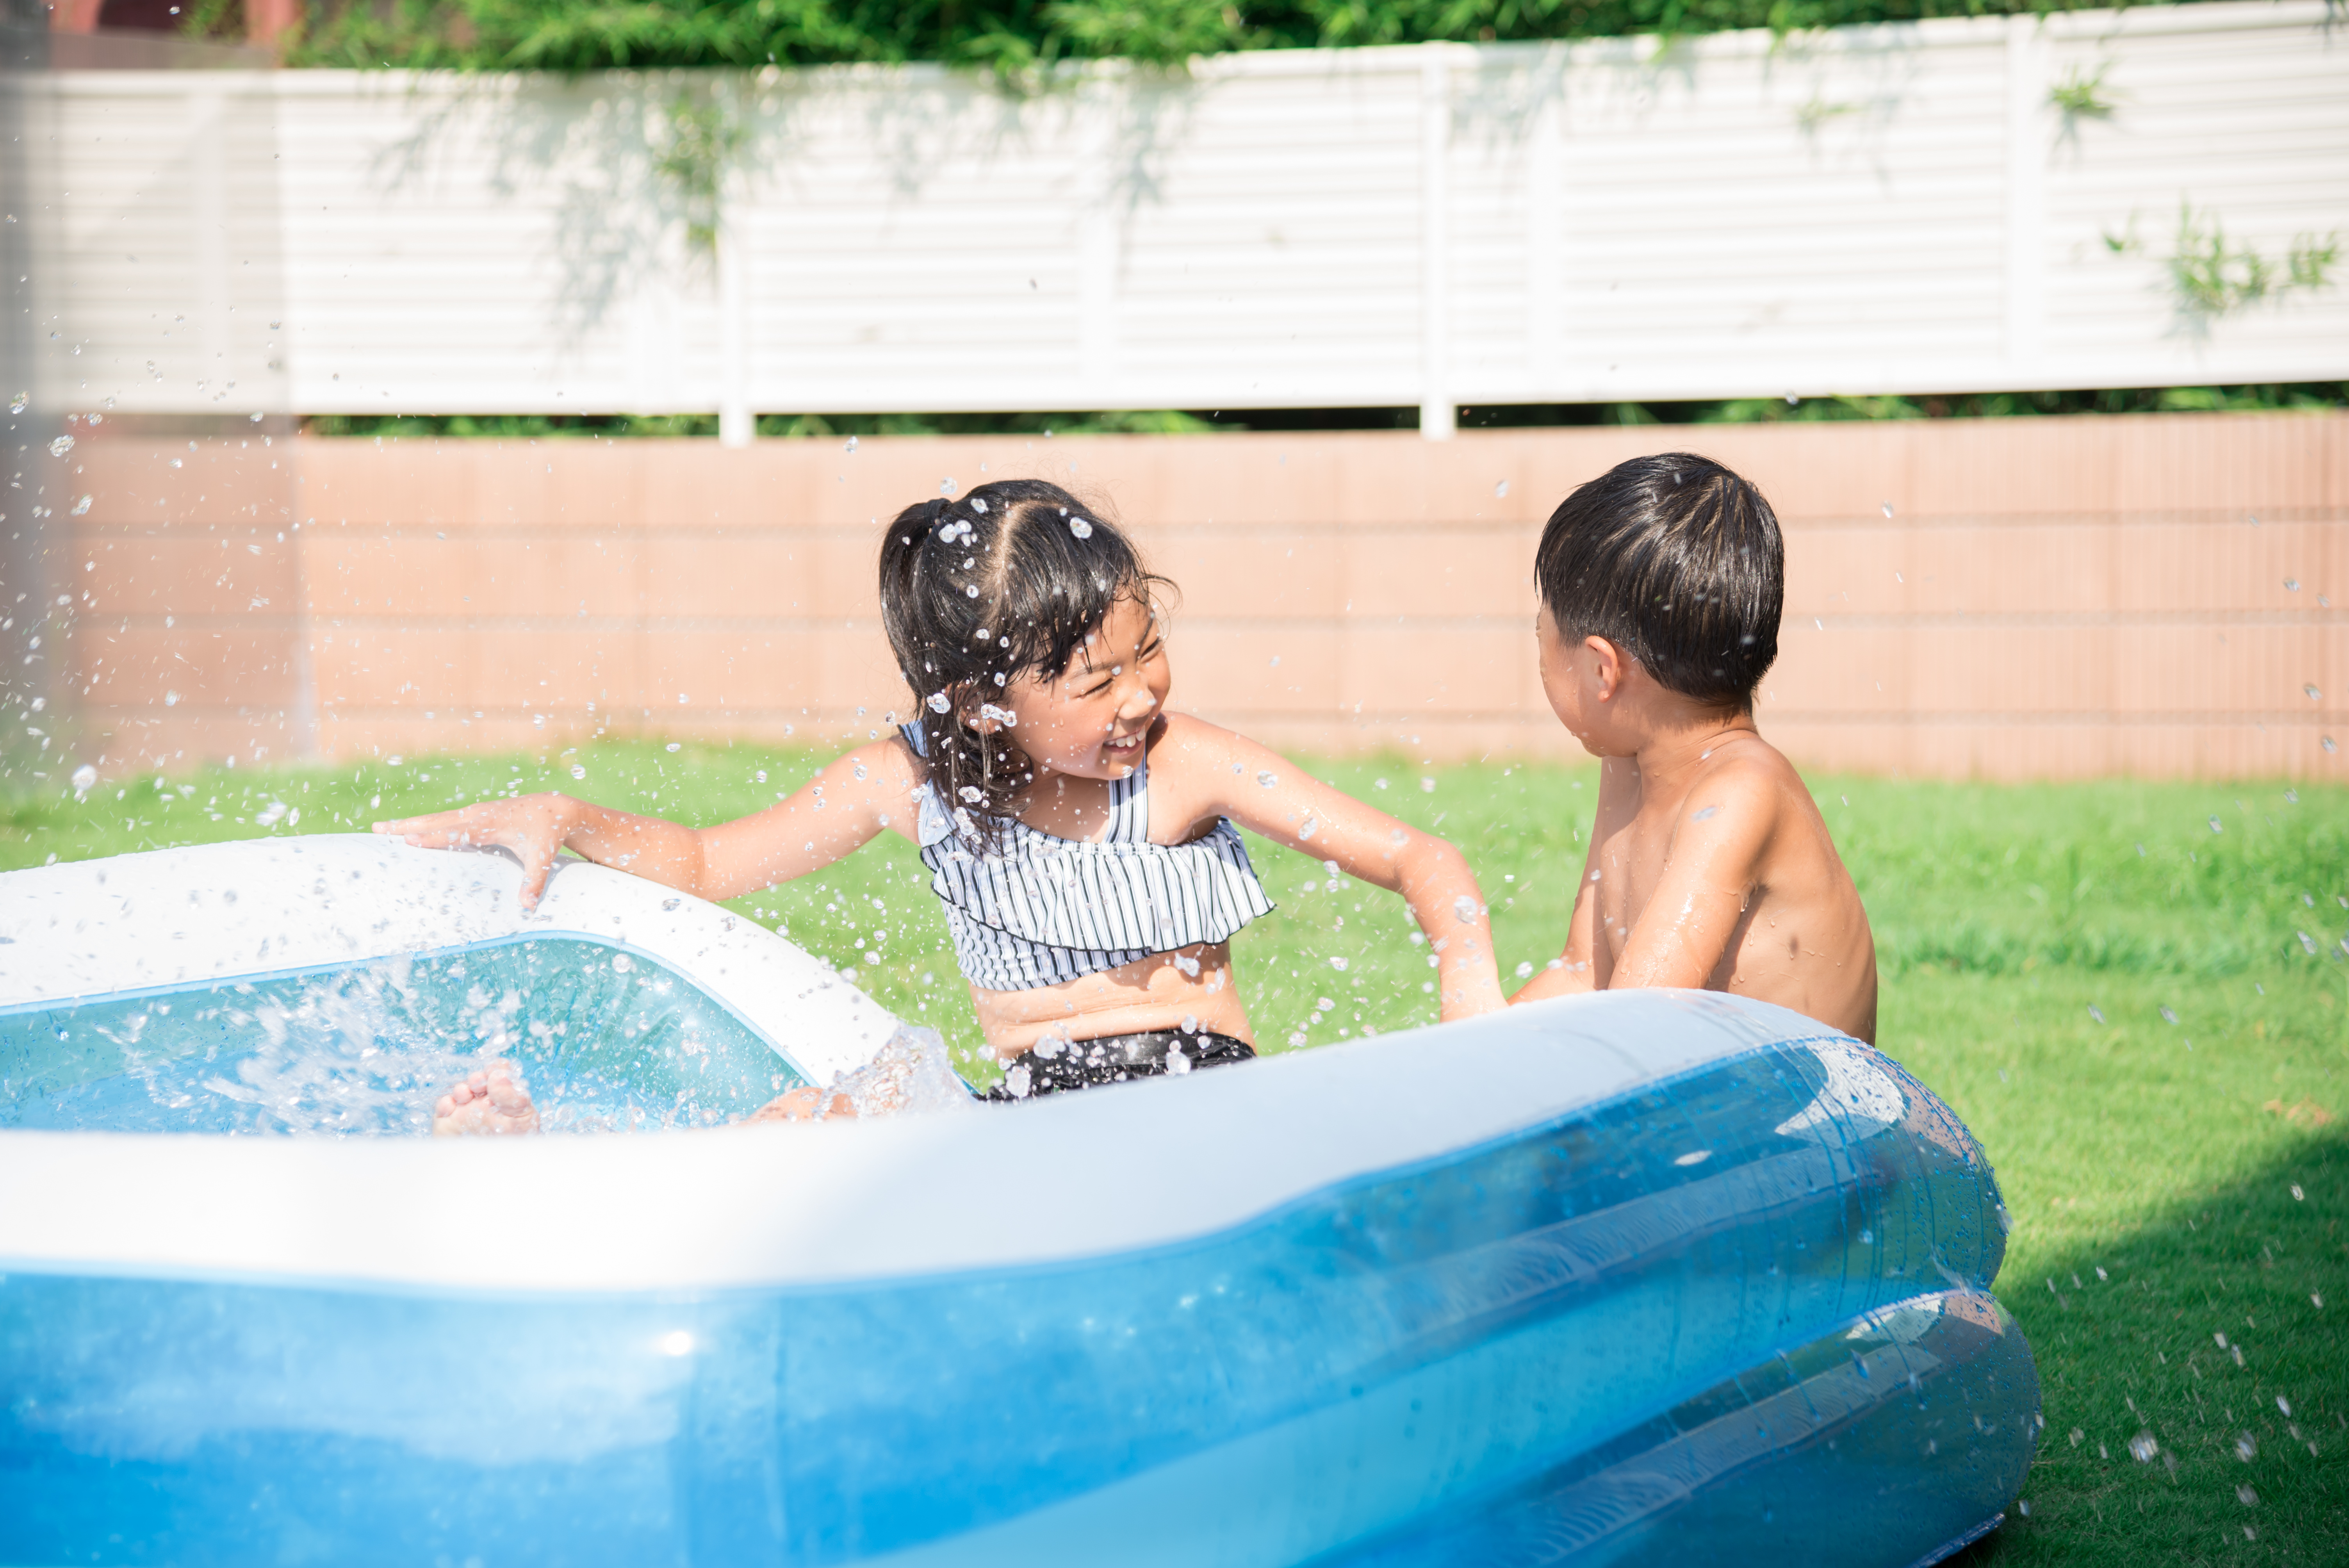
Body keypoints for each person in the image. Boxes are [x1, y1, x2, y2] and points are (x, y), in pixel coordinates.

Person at [388, 478, 1507, 1133]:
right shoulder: (908, 780)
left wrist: (1471, 1006)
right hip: (1024, 1114)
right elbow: (704, 862)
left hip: (1190, 1106)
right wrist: (571, 816)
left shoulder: (1183, 765)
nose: (1141, 696)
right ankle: (556, 1158)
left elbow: (1425, 860)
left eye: (1148, 653)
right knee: (811, 1124)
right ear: (977, 707)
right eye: (1096, 682)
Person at [1507, 453, 1878, 1042]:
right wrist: (1453, 1059)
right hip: (1718, 1101)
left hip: (1814, 1123)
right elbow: (1584, 975)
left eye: (1540, 638)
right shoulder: (1629, 764)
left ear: (1603, 670)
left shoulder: (1740, 794)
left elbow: (1632, 1028)